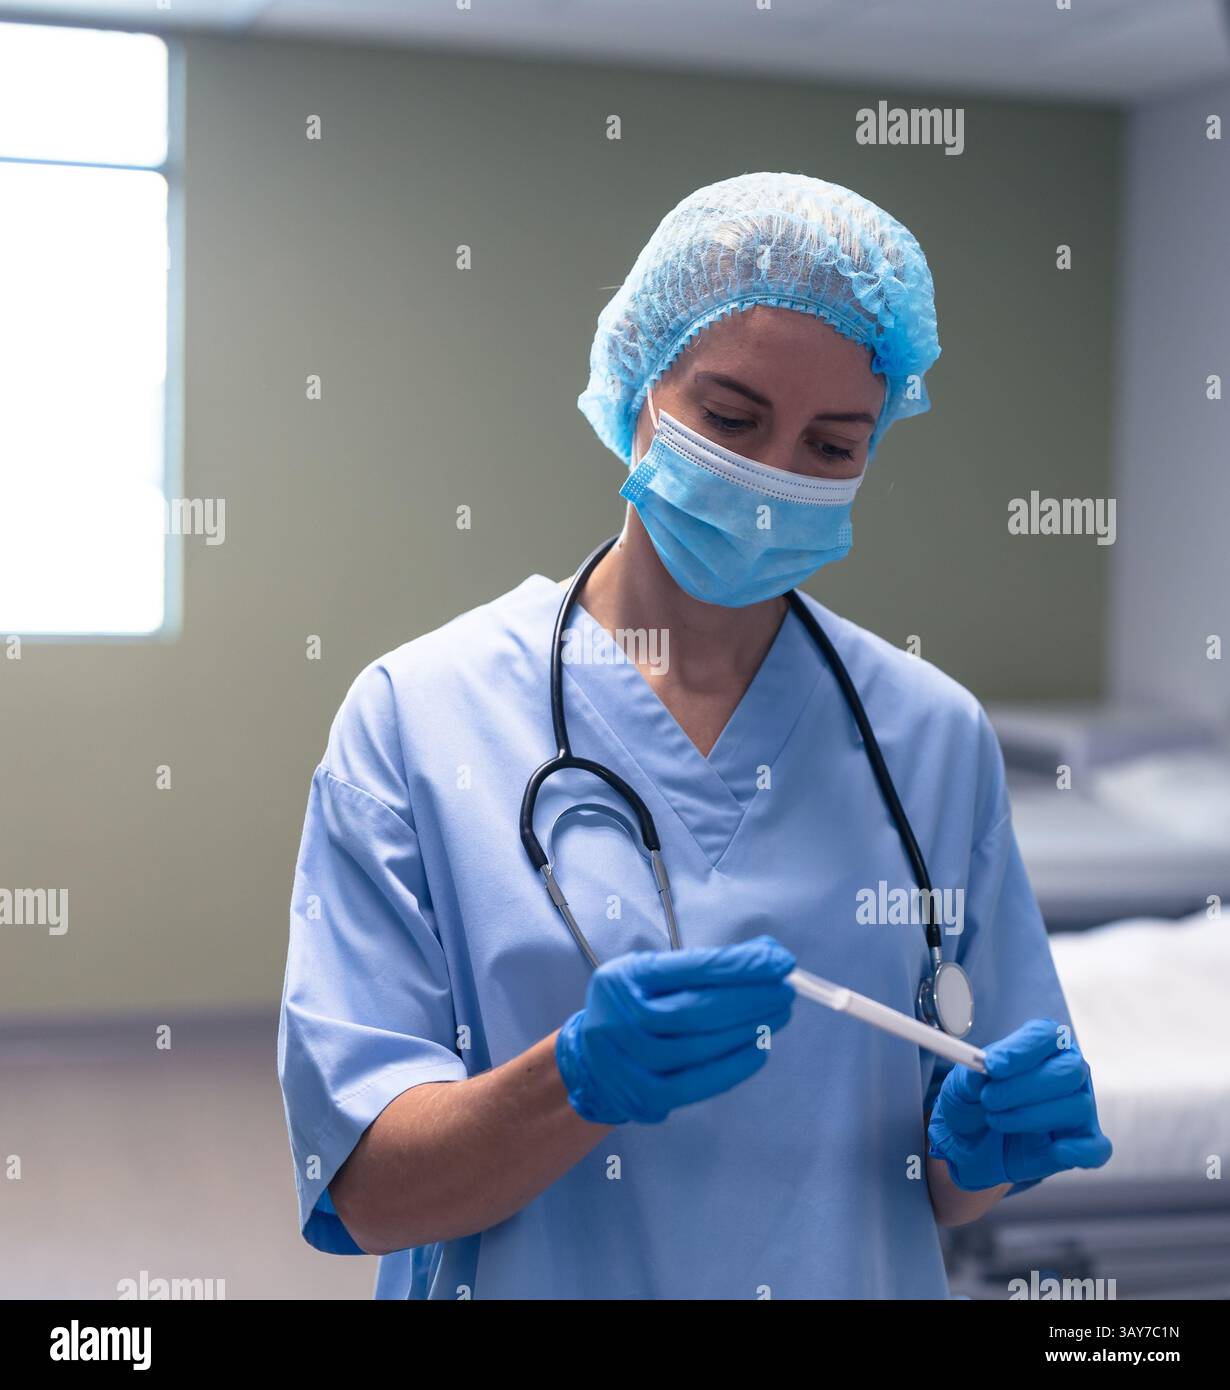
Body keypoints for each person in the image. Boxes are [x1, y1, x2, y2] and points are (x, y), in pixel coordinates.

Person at [277, 171, 1111, 1300]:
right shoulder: (421, 715)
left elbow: (950, 1179)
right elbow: (367, 1190)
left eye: (831, 445)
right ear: (634, 390)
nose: (773, 475)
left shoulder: (933, 736)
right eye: (730, 418)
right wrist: (574, 1081)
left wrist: (979, 1152)